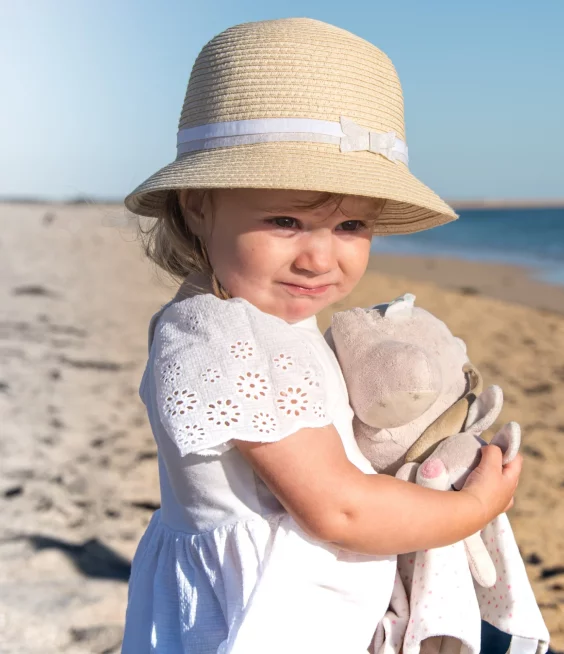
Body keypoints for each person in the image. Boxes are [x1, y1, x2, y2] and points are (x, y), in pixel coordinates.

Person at [120, 18, 522, 653]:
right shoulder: (220, 338)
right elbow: (339, 510)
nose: (319, 258)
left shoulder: (257, 317)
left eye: (351, 226)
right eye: (286, 220)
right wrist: (474, 511)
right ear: (198, 203)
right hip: (269, 619)